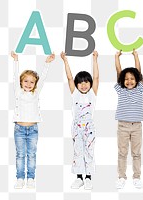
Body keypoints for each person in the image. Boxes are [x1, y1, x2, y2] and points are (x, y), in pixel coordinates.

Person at [11, 51, 55, 189]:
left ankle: (30, 178)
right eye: (25, 81)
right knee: (20, 155)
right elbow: (14, 75)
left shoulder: (36, 93)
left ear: (35, 84)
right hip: (19, 129)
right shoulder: (18, 92)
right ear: (20, 82)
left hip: (33, 129)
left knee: (31, 154)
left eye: (32, 82)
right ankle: (20, 178)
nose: (28, 84)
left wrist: (47, 63)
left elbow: (43, 78)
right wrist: (15, 60)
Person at [61, 51, 99, 190]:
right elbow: (69, 78)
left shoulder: (92, 93)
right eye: (80, 83)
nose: (83, 85)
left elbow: (96, 76)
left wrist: (95, 59)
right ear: (77, 85)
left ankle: (88, 178)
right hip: (76, 127)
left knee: (89, 151)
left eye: (86, 82)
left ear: (90, 84)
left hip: (89, 127)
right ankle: (79, 178)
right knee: (78, 151)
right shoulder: (75, 93)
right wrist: (65, 61)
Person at [114, 50, 143, 189]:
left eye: (132, 78)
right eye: (126, 79)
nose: (129, 81)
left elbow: (138, 71)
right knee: (122, 152)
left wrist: (136, 56)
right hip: (123, 126)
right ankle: (121, 177)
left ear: (137, 80)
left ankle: (137, 177)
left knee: (136, 153)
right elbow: (118, 71)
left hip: (137, 126)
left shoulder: (140, 89)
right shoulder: (121, 89)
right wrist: (116, 57)